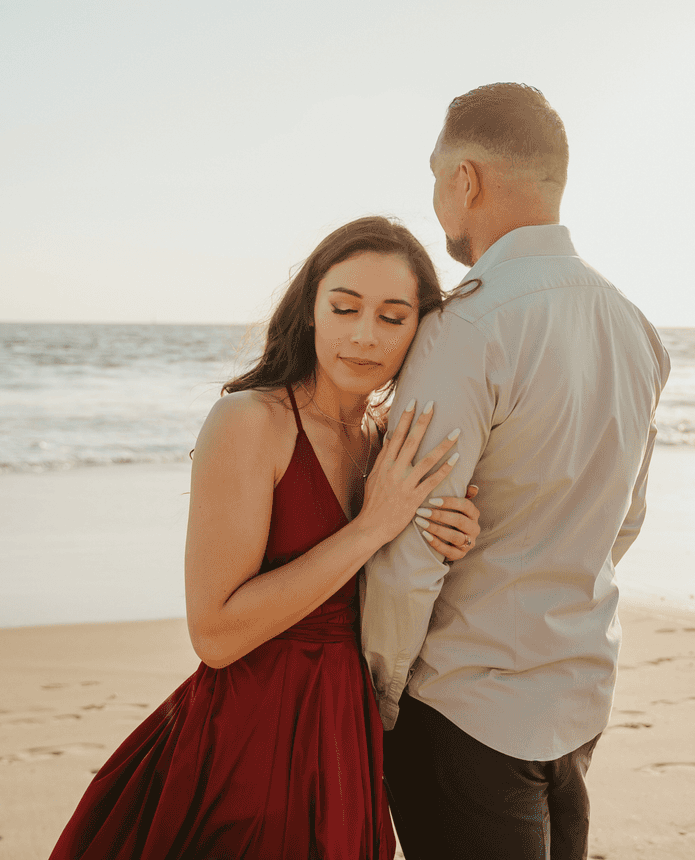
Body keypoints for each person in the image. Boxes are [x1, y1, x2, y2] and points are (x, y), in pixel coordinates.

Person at [49, 216, 483, 860]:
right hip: (250, 739)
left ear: (420, 328)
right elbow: (215, 635)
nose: (364, 335)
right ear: (310, 309)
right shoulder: (251, 422)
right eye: (344, 307)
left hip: (346, 739)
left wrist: (448, 535)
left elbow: (388, 587)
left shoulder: (386, 439)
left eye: (393, 317)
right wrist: (371, 528)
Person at [363, 83, 670, 859]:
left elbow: (414, 548)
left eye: (438, 183)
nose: (439, 211)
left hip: (462, 707)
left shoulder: (465, 326)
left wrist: (379, 696)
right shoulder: (634, 327)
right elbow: (625, 519)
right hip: (578, 690)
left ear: (465, 178)